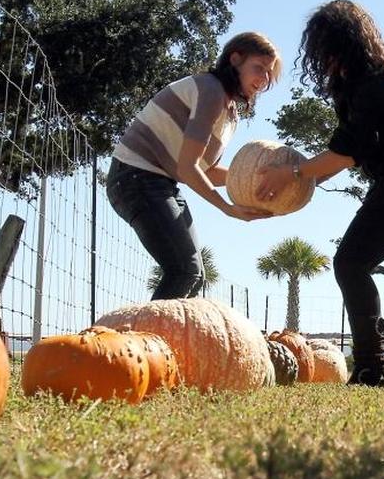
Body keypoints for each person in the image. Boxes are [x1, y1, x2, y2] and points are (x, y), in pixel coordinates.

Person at [255, 0, 384, 387]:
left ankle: (372, 365)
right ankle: (371, 364)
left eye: (322, 47)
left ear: (339, 45)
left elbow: (345, 153)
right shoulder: (359, 83)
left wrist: (293, 172)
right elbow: (350, 150)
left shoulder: (373, 82)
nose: (319, 57)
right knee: (352, 262)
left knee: (350, 262)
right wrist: (302, 179)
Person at [106, 32, 280, 300]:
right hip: (135, 177)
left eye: (269, 73)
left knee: (193, 275)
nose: (264, 79)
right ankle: (149, 340)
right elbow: (189, 168)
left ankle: (162, 338)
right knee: (184, 271)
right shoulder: (210, 90)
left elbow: (205, 170)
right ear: (235, 59)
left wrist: (254, 180)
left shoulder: (229, 111)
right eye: (259, 68)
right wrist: (227, 208)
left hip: (159, 181)